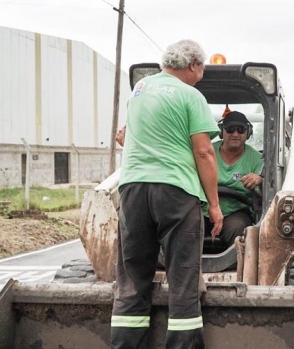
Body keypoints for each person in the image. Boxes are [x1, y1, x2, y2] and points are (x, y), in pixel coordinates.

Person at [110, 39, 223, 349]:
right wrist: (214, 205)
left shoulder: (141, 90)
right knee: (183, 279)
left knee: (131, 280)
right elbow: (204, 153)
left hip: (133, 190)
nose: (201, 75)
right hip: (175, 191)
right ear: (193, 65)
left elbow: (126, 135)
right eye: (202, 69)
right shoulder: (191, 95)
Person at [203, 110, 263, 246]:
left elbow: (266, 196)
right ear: (221, 131)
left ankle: (236, 265)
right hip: (204, 210)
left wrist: (260, 181)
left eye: (240, 129)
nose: (235, 134)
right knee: (187, 226)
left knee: (238, 228)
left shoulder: (256, 160)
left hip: (235, 212)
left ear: (248, 133)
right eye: (230, 129)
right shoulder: (206, 152)